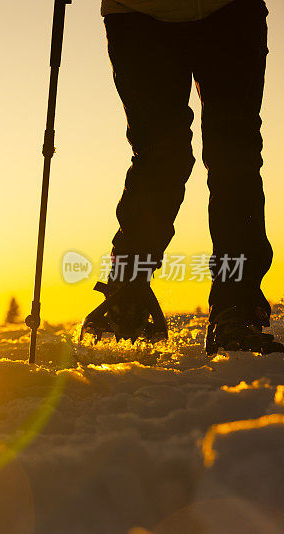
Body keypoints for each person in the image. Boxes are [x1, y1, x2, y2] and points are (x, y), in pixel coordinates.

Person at [83, 0, 284, 354]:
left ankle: (235, 307)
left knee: (232, 152)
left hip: (230, 10)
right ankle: (128, 290)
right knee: (165, 153)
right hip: (138, 12)